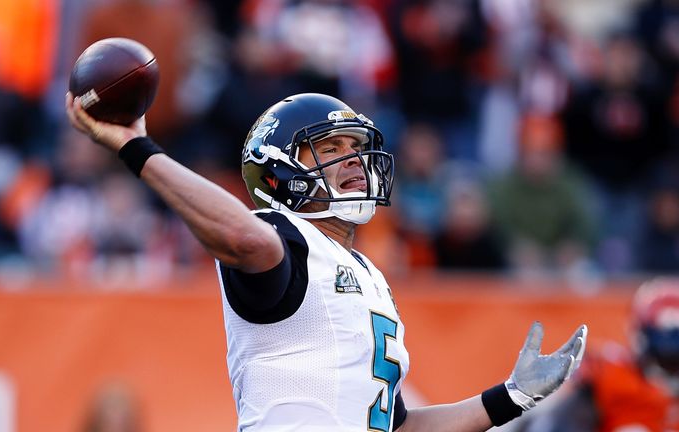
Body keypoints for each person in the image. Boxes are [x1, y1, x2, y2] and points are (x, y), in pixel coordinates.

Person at [66, 91, 587, 431]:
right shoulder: (279, 235)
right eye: (331, 147)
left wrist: (510, 397)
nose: (353, 159)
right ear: (280, 167)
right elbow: (242, 237)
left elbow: (398, 425)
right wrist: (137, 148)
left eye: (354, 147)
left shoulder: (369, 275)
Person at [518, 278, 679, 432]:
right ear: (641, 339)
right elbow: (550, 425)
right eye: (668, 356)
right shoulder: (608, 377)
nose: (673, 361)